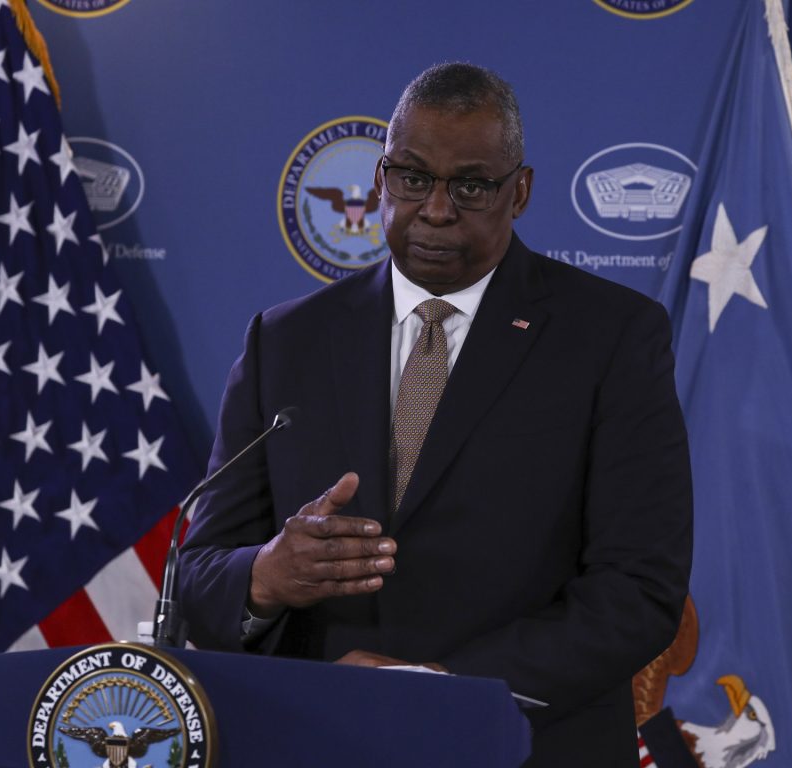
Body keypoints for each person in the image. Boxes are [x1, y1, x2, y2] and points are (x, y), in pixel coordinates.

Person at [179, 62, 693, 767]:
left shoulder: (611, 336)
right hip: (322, 742)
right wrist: (266, 576)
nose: (437, 210)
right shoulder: (286, 341)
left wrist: (443, 687)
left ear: (520, 192)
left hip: (523, 747)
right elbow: (200, 573)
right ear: (380, 179)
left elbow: (639, 590)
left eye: (471, 185)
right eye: (413, 178)